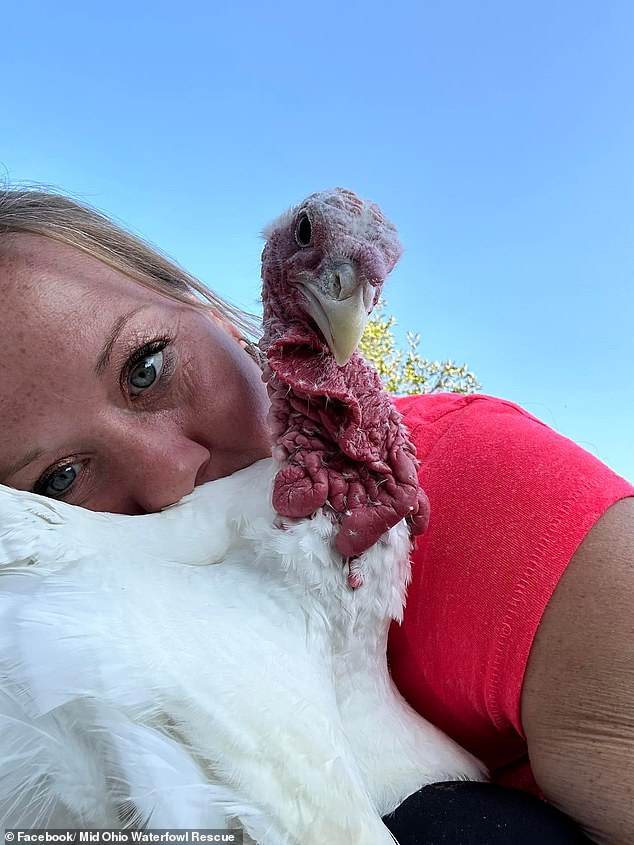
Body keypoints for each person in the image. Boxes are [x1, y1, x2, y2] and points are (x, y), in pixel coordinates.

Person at [0, 187, 632, 844]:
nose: (170, 471)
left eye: (147, 367)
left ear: (212, 313)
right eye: (61, 478)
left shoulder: (476, 492)